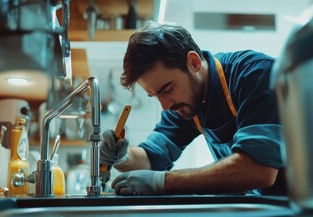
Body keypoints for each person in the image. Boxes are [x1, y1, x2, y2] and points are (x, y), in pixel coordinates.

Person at [100, 20, 286, 196]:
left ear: (194, 62)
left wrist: (163, 182)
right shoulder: (186, 104)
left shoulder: (254, 74)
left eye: (168, 89)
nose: (165, 106)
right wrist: (123, 156)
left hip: (304, 208)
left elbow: (258, 170)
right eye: (155, 96)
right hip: (265, 210)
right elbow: (152, 158)